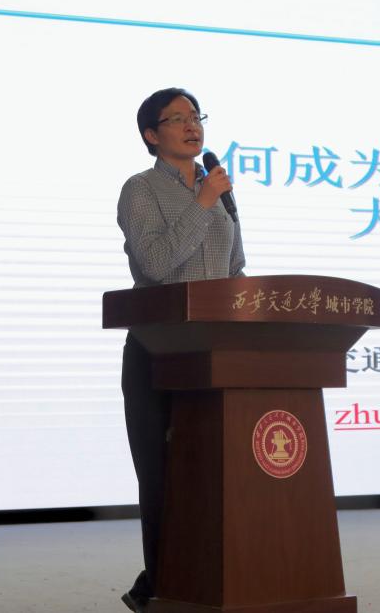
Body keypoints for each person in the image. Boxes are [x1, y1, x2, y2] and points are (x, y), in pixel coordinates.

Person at [116, 87, 245, 613]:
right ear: (151, 134)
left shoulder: (216, 188)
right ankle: (163, 587)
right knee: (164, 475)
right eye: (178, 119)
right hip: (160, 349)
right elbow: (154, 264)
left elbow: (235, 267)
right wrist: (204, 201)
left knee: (212, 473)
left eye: (196, 116)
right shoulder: (140, 189)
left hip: (215, 351)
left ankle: (185, 581)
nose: (193, 126)